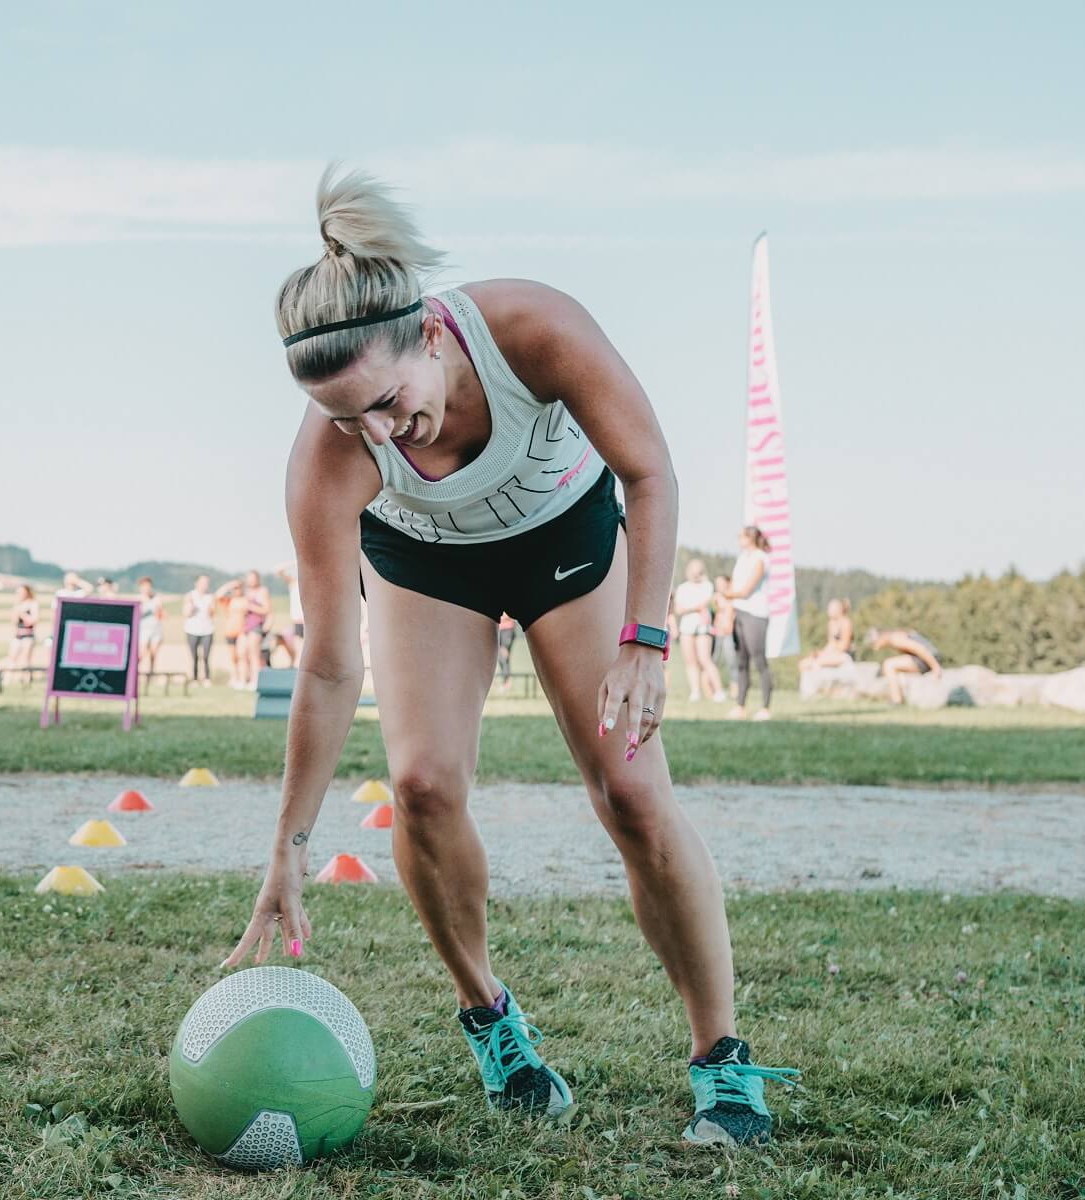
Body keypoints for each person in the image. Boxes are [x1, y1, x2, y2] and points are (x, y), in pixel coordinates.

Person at [225, 168, 794, 1147]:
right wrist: (289, 843)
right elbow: (326, 666)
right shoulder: (330, 458)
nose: (377, 433)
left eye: (387, 400)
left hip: (567, 540)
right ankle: (492, 1020)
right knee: (423, 786)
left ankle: (723, 1065)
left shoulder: (531, 327)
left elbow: (648, 470)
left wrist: (647, 640)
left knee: (633, 795)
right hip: (426, 567)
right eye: (345, 417)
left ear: (433, 336)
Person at [723, 526, 775, 720]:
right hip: (740, 612)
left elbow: (746, 590)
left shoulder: (761, 558)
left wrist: (725, 594)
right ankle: (741, 705)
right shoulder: (742, 558)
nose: (738, 539)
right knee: (741, 661)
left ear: (750, 538)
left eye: (741, 536)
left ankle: (765, 707)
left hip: (756, 614)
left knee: (759, 659)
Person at [671, 559, 727, 702]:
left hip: (703, 628)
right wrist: (696, 607)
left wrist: (690, 607)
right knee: (690, 661)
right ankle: (695, 692)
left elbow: (705, 604)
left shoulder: (707, 586)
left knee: (705, 659)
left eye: (699, 571)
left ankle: (719, 691)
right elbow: (678, 609)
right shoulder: (683, 588)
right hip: (686, 628)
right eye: (693, 571)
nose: (696, 574)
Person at [865, 627, 941, 703]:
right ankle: (898, 698)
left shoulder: (896, 638)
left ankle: (896, 700)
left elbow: (920, 649)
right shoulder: (896, 636)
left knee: (889, 665)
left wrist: (936, 668)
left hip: (930, 658)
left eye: (874, 643)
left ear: (881, 636)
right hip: (927, 659)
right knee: (891, 666)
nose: (875, 648)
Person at [798, 598, 855, 670]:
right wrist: (821, 653)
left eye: (831, 608)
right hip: (833, 654)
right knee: (803, 663)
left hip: (845, 656)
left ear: (839, 609)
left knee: (817, 663)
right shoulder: (831, 623)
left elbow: (844, 646)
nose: (828, 611)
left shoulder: (846, 622)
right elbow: (831, 644)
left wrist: (827, 653)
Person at [182, 574, 216, 686]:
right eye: (202, 583)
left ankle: (207, 678)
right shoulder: (190, 596)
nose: (205, 585)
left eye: (207, 583)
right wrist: (190, 605)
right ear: (196, 583)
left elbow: (212, 613)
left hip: (207, 630)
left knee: (206, 656)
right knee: (194, 656)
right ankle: (195, 678)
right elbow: (186, 613)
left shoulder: (210, 597)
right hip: (192, 630)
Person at [136, 576, 166, 680]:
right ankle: (135, 673)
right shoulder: (138, 599)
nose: (146, 588)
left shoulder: (157, 598)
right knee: (141, 653)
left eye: (148, 586)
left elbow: (161, 613)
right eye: (144, 586)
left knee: (153, 653)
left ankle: (151, 675)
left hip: (156, 628)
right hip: (143, 629)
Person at [8, 583, 41, 670]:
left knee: (26, 659)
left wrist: (22, 613)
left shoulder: (33, 604)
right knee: (12, 657)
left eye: (21, 592)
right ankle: (8, 679)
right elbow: (13, 621)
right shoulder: (17, 605)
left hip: (28, 635)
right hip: (18, 635)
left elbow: (32, 621)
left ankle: (26, 680)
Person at [494, 612, 518, 686]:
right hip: (500, 630)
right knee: (500, 658)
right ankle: (506, 680)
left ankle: (507, 681)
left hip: (508, 630)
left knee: (504, 656)